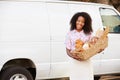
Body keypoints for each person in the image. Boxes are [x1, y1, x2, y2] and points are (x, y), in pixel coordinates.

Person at [65, 12, 94, 80]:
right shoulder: (70, 34)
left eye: (83, 22)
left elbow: (93, 48)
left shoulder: (89, 34)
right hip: (74, 62)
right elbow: (67, 50)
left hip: (86, 61)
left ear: (86, 23)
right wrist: (74, 56)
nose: (80, 23)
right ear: (75, 21)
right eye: (78, 21)